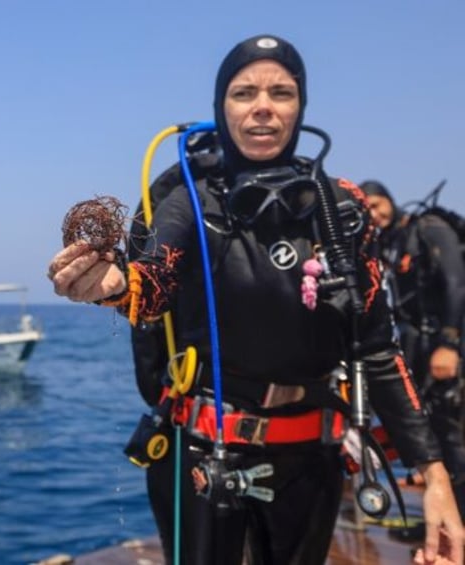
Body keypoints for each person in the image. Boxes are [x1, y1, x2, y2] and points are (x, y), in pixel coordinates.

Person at [47, 34, 464, 565]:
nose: (263, 106)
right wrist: (111, 286)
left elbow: (378, 350)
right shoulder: (189, 201)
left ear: (301, 106)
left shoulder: (342, 209)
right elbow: (152, 282)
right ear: (222, 107)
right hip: (205, 454)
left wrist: (434, 477)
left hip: (313, 458)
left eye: (281, 92)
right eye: (244, 93)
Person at [362, 179, 465, 516]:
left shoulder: (429, 228)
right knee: (437, 434)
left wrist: (449, 344)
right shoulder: (392, 245)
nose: (374, 214)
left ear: (390, 199)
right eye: (368, 210)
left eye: (377, 205)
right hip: (421, 354)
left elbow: (456, 282)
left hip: (447, 350)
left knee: (454, 438)